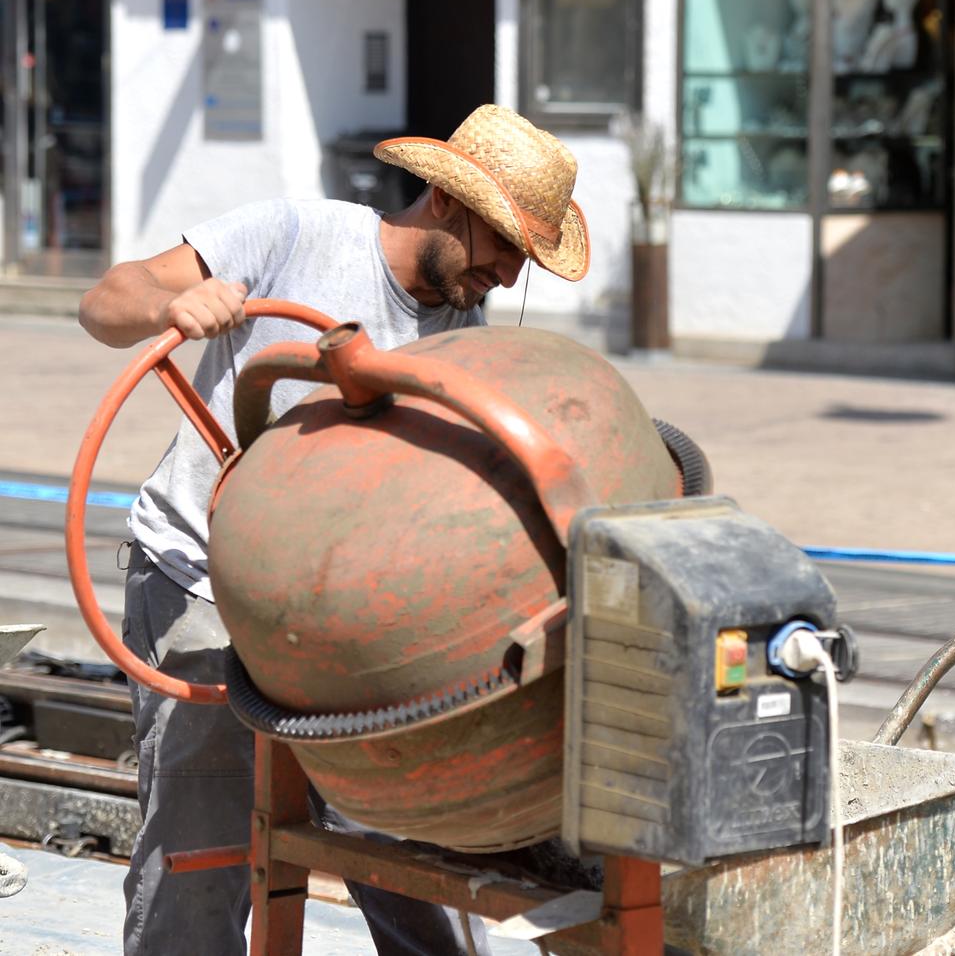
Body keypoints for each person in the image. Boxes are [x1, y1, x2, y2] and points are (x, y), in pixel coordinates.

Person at [79, 104, 591, 956]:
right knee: (200, 859)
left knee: (400, 838)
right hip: (204, 583)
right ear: (446, 203)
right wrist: (184, 301)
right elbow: (107, 301)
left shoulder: (460, 340)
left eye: (525, 257)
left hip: (340, 621)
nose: (507, 272)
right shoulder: (296, 236)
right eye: (503, 243)